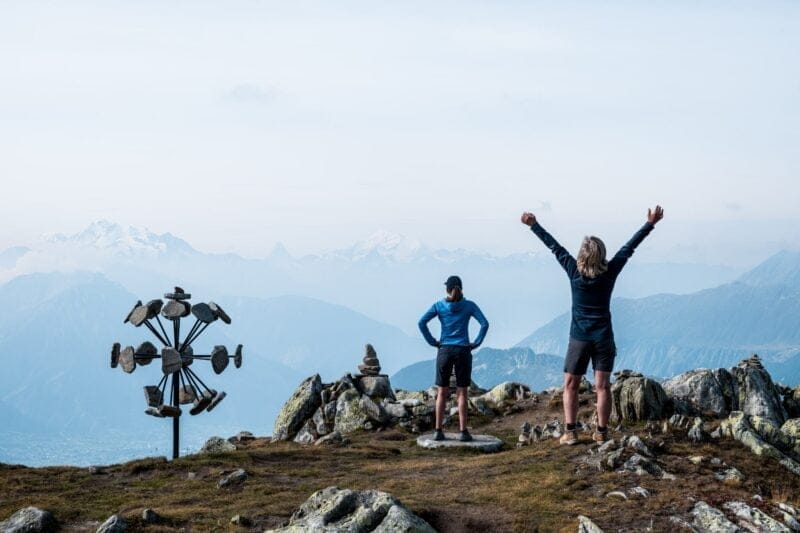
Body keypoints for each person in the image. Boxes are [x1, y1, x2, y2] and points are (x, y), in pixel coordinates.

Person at [520, 206, 664, 445]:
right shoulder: (609, 273)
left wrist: (534, 225)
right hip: (603, 338)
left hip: (579, 338)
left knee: (571, 384)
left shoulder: (573, 271)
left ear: (582, 255)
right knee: (602, 387)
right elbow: (629, 248)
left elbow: (554, 246)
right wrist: (650, 224)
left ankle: (570, 432)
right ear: (602, 255)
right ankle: (601, 432)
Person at [418, 275, 489, 442]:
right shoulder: (469, 306)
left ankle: (438, 431)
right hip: (463, 350)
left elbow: (421, 322)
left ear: (447, 289)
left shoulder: (439, 306)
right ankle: (464, 432)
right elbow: (485, 324)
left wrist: (432, 342)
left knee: (442, 392)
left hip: (445, 350)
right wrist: (476, 343)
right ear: (461, 288)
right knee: (462, 392)